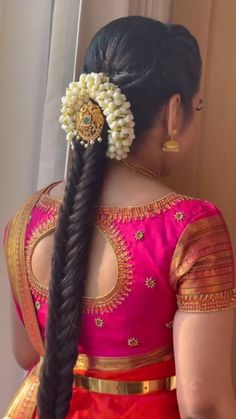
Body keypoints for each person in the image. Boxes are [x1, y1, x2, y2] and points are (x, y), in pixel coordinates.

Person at [4, 16, 236, 419]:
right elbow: (206, 405)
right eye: (198, 106)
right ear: (175, 111)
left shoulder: (27, 216)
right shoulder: (190, 228)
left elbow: (27, 352)